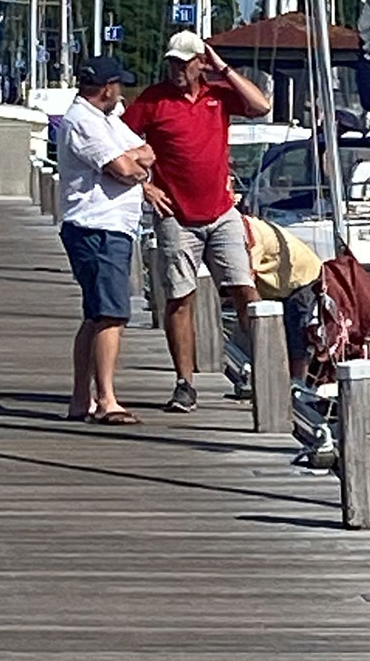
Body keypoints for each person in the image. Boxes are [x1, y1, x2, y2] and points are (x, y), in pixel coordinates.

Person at [123, 30, 271, 412]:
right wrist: (144, 186)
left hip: (222, 212)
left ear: (199, 63)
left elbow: (261, 106)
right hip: (176, 215)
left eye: (184, 62)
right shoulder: (153, 100)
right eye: (171, 62)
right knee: (179, 298)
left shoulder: (218, 95)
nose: (176, 69)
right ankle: (184, 383)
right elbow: (117, 143)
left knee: (245, 290)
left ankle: (261, 369)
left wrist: (222, 67)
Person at [57, 56, 156, 425]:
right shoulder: (82, 121)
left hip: (110, 226)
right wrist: (134, 163)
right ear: (106, 87)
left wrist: (134, 161)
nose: (121, 92)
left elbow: (147, 152)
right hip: (97, 227)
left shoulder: (108, 120)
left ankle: (81, 398)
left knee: (95, 314)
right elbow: (127, 168)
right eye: (118, 85)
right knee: (111, 315)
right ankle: (106, 399)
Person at [242, 215, 323, 381]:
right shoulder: (244, 229)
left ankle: (297, 382)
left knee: (297, 334)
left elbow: (246, 275)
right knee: (282, 334)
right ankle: (277, 378)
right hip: (275, 286)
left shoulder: (250, 233)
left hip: (301, 278)